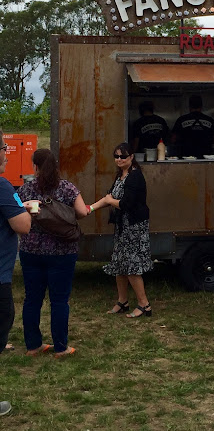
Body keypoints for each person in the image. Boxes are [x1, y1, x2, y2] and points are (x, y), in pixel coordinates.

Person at [17, 149, 89, 358]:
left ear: (35, 167)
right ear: (55, 166)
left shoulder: (25, 190)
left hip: (30, 251)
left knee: (32, 300)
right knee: (59, 301)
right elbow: (82, 213)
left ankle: (33, 346)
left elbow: (16, 212)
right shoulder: (67, 188)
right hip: (62, 252)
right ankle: (61, 347)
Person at [91, 142, 153, 318]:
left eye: (123, 156)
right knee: (119, 265)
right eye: (116, 156)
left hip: (134, 227)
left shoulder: (135, 177)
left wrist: (110, 201)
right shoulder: (120, 175)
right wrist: (89, 209)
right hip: (122, 227)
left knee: (132, 267)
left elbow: (125, 204)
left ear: (131, 157)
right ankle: (122, 301)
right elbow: (108, 197)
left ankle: (144, 305)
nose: (119, 159)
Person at [0, 131, 31, 415]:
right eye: (4, 148)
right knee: (3, 319)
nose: (7, 153)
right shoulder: (3, 186)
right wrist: (28, 209)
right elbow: (22, 225)